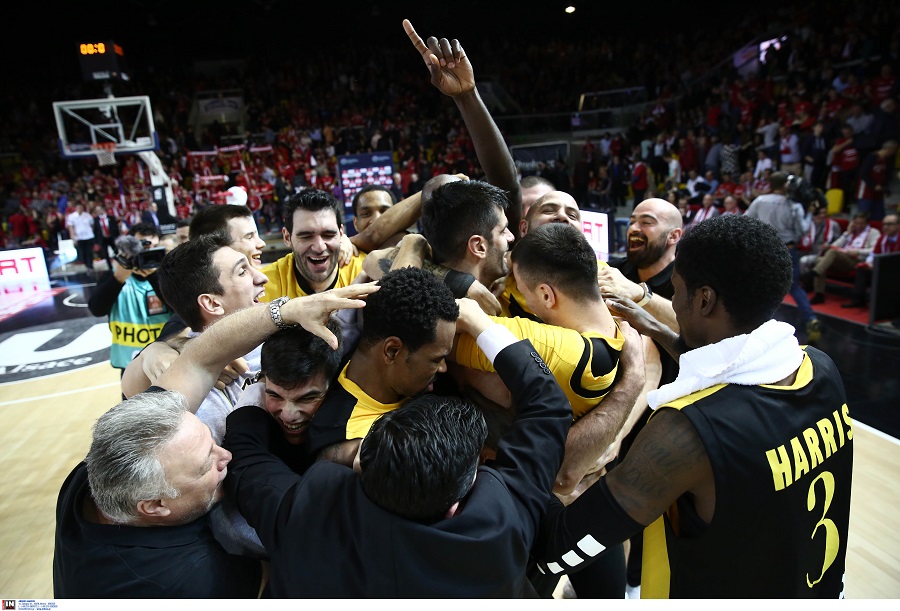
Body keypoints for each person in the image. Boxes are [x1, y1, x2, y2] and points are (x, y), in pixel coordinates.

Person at [222, 286, 640, 597]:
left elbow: (249, 463)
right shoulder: (499, 519)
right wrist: (482, 326)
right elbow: (546, 403)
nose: (444, 368)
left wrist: (251, 393)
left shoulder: (310, 510)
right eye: (438, 357)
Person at [532, 214, 852, 598]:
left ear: (704, 299)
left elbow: (563, 548)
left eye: (677, 290)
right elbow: (728, 368)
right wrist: (656, 329)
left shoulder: (686, 432)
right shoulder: (820, 367)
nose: (674, 303)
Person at [743, 172, 821, 341]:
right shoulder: (794, 205)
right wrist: (809, 213)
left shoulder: (760, 201)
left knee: (761, 286)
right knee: (795, 287)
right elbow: (803, 230)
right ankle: (811, 319)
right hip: (788, 248)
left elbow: (746, 220)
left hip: (765, 247)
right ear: (785, 185)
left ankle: (758, 323)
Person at [87, 222, 171, 378]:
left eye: (152, 248)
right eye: (141, 248)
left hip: (166, 359)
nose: (147, 252)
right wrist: (118, 279)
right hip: (129, 363)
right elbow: (96, 309)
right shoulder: (114, 275)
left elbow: (180, 308)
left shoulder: (169, 276)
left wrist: (154, 276)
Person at [809, 212, 881, 305]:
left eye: (861, 223)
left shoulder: (873, 232)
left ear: (867, 223)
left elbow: (874, 249)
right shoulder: (850, 232)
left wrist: (858, 251)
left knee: (828, 255)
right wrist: (847, 233)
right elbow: (834, 246)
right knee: (820, 260)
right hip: (843, 257)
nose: (858, 226)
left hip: (857, 259)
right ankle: (819, 294)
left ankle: (814, 273)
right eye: (856, 223)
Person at [842, 213, 900, 308]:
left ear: (898, 225)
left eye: (889, 224)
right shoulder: (882, 239)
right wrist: (869, 263)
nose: (885, 227)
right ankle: (859, 300)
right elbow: (873, 254)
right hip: (883, 267)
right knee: (862, 269)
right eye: (884, 224)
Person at [855, 140, 899, 221]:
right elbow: (863, 174)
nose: (894, 153)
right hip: (866, 192)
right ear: (890, 149)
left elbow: (885, 176)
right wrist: (874, 185)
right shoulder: (872, 157)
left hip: (878, 193)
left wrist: (885, 188)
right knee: (863, 216)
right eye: (894, 150)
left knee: (879, 217)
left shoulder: (886, 160)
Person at [66, 202, 96, 271]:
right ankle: (86, 265)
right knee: (82, 252)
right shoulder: (71, 216)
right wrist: (73, 237)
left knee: (89, 252)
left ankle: (90, 266)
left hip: (88, 237)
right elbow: (71, 227)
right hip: (79, 237)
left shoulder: (87, 215)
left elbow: (92, 225)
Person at [92, 204, 119, 269]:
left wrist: (117, 237)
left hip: (112, 238)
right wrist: (97, 241)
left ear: (103, 210)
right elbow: (95, 231)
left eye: (99, 210)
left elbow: (116, 228)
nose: (98, 211)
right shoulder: (95, 220)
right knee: (105, 253)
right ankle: (110, 268)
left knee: (116, 251)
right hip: (102, 239)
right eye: (97, 210)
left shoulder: (111, 218)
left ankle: (119, 264)